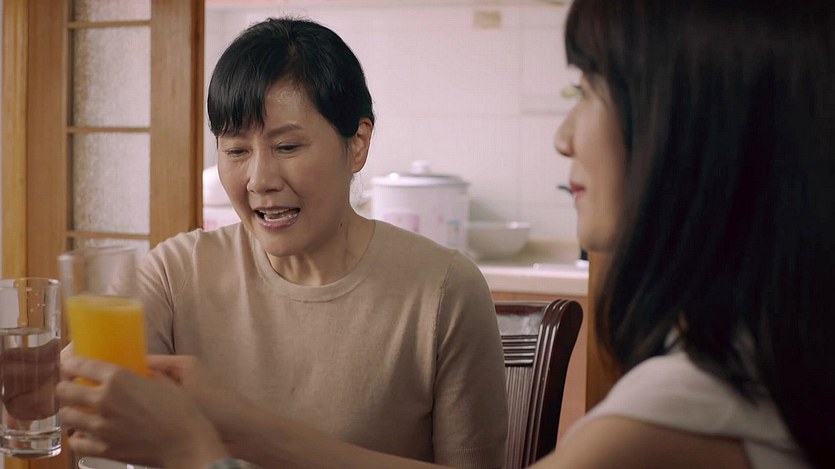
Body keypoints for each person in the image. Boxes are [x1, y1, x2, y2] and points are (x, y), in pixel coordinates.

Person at [58, 1, 835, 468]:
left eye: (588, 89)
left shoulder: (672, 410)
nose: (562, 134)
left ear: (357, 143)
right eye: (234, 150)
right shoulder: (753, 365)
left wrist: (203, 448)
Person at [60, 16, 508, 469]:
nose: (260, 180)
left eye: (288, 147)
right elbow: (81, 392)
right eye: (237, 151)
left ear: (357, 143)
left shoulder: (445, 290)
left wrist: (252, 435)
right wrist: (37, 386)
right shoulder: (176, 272)